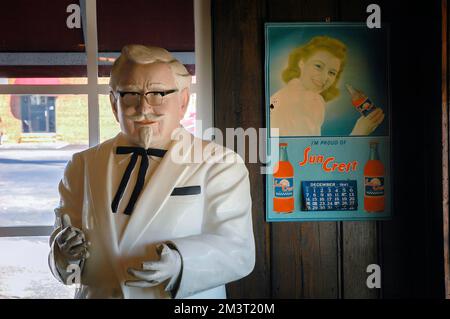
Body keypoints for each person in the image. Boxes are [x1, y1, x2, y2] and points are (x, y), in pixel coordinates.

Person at [48, 45, 255, 299]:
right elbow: (63, 248)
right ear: (114, 103)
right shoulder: (82, 165)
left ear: (183, 101)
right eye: (130, 94)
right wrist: (63, 255)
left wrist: (182, 263)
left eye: (157, 93)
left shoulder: (220, 164)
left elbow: (239, 250)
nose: (144, 108)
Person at [270, 35, 385, 136]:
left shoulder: (315, 99)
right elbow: (307, 157)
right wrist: (359, 132)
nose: (325, 78)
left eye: (332, 72)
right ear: (302, 63)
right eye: (318, 66)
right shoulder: (295, 101)